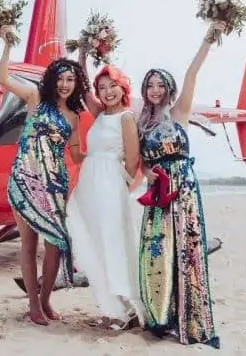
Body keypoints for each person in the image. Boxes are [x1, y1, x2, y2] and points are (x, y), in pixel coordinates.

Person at [136, 21, 225, 348]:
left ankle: (186, 319)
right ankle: (159, 316)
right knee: (157, 251)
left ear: (169, 88)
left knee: (184, 251)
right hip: (158, 193)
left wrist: (207, 39)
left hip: (182, 190)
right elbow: (142, 160)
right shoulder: (142, 124)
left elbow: (192, 74)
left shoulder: (179, 113)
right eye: (150, 85)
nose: (155, 90)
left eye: (160, 85)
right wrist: (146, 172)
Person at [0, 24, 88, 326]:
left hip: (55, 185)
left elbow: (75, 154)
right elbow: (3, 78)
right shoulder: (36, 98)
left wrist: (104, 156)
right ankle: (33, 304)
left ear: (76, 83)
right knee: (28, 243)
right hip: (25, 179)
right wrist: (7, 44)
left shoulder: (74, 116)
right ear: (52, 80)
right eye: (60, 79)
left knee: (56, 244)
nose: (65, 84)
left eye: (70, 79)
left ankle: (46, 298)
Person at [66, 60, 143, 331]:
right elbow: (85, 89)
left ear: (123, 88)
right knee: (95, 241)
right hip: (89, 183)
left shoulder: (126, 117)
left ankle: (127, 308)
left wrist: (115, 184)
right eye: (102, 87)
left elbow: (133, 162)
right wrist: (84, 57)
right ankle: (112, 307)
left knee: (113, 244)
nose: (108, 91)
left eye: (113, 86)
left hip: (109, 184)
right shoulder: (99, 114)